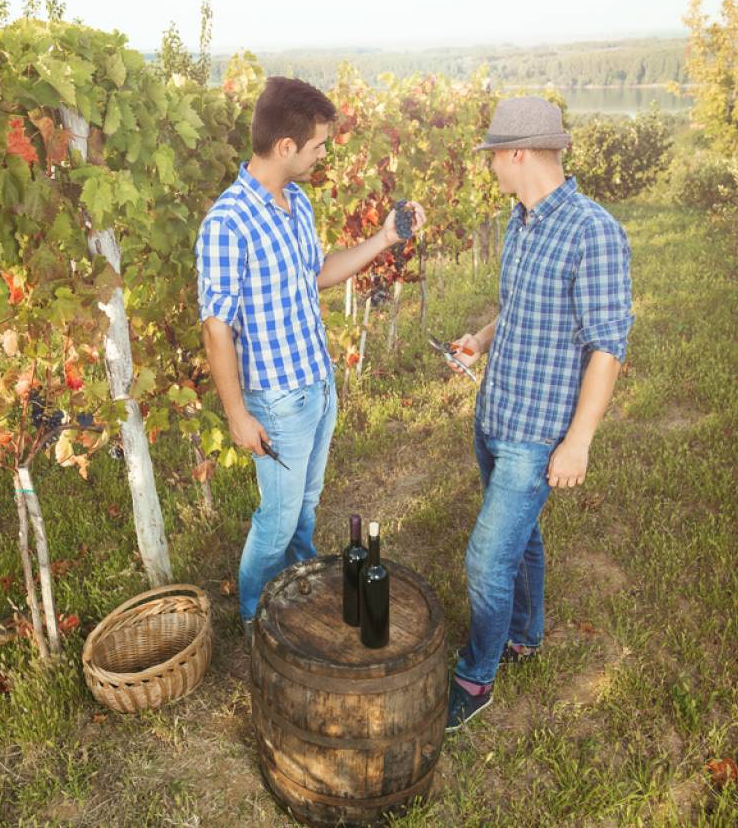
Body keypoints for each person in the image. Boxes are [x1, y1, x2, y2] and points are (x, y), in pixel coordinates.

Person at [196, 77, 425, 641]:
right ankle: (256, 623)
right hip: (277, 402)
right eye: (318, 145)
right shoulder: (227, 223)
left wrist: (384, 238)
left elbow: (316, 273)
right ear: (285, 147)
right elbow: (216, 328)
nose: (324, 154)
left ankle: (295, 597)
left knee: (305, 508)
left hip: (317, 385)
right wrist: (237, 416)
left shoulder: (296, 202)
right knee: (276, 522)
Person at [444, 96, 633, 730]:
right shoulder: (520, 221)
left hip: (537, 433)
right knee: (521, 537)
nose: (491, 165)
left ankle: (475, 679)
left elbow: (607, 347)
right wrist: (480, 339)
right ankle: (524, 634)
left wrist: (578, 442)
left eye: (495, 155)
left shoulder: (593, 232)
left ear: (520, 153)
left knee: (485, 559)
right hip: (495, 413)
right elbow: (520, 306)